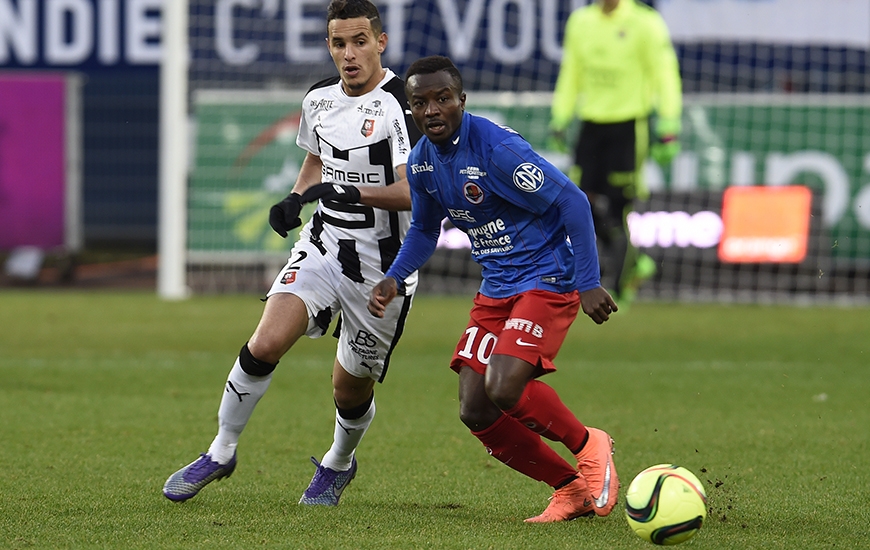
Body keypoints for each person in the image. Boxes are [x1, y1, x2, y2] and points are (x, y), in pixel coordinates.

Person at [163, 0, 421, 506]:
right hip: (324, 247)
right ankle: (221, 450)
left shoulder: (403, 105)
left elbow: (417, 192)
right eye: (338, 43)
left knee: (350, 391)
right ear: (328, 45)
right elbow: (316, 157)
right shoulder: (319, 99)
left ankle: (338, 463)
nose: (349, 54)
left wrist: (352, 193)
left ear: (380, 42)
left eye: (359, 42)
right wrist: (297, 198)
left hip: (383, 273)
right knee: (264, 343)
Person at [368, 55, 620, 523]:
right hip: (497, 285)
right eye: (420, 102)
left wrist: (588, 283)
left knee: (504, 387)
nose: (432, 110)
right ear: (410, 110)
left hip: (548, 276)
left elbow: (573, 200)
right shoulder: (422, 162)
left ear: (461, 101)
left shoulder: (497, 151)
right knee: (475, 408)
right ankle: (570, 490)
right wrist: (394, 276)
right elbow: (425, 230)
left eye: (443, 98)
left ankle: (589, 444)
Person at [550, 0, 682, 306]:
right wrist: (561, 117)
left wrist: (669, 123)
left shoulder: (645, 22)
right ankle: (633, 267)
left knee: (619, 207)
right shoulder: (581, 22)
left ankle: (623, 287)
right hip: (591, 126)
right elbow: (571, 73)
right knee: (580, 203)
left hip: (628, 127)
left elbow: (665, 74)